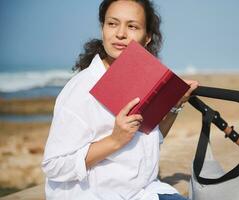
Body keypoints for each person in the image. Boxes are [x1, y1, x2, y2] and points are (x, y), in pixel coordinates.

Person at [42, 0, 198, 199]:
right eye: (112, 24)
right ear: (102, 29)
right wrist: (114, 140)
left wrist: (175, 105)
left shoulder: (142, 79)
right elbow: (53, 166)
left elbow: (149, 141)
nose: (120, 34)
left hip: (143, 191)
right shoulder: (81, 89)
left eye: (132, 26)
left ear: (147, 37)